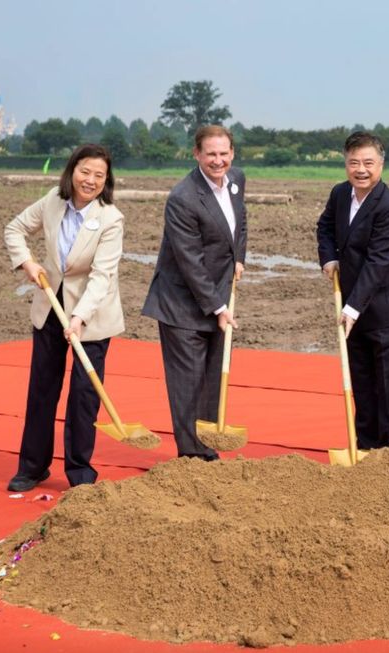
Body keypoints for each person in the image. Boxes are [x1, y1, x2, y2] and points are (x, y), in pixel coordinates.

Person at [4, 143, 124, 491]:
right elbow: (14, 229)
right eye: (85, 171)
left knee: (84, 394)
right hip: (51, 305)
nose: (90, 180)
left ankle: (80, 472)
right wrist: (27, 262)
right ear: (72, 171)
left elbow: (102, 276)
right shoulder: (52, 201)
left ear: (106, 180)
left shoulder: (111, 219)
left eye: (99, 175)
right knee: (42, 388)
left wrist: (79, 318)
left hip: (93, 313)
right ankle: (32, 466)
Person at [142, 125, 246, 460]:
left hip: (218, 294)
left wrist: (239, 258)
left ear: (232, 153)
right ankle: (191, 456)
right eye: (211, 154)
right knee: (188, 382)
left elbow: (240, 222)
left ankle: (207, 448)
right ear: (196, 154)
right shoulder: (182, 198)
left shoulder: (236, 180)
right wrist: (218, 307)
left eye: (224, 153)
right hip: (181, 304)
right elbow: (190, 261)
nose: (218, 161)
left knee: (213, 378)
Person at [316, 131, 389, 451]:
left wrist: (352, 308)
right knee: (361, 385)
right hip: (352, 308)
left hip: (385, 311)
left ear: (381, 165)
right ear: (345, 163)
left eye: (368, 163)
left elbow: (379, 262)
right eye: (354, 163)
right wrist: (329, 257)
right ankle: (364, 450)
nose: (361, 170)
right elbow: (325, 227)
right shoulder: (340, 194)